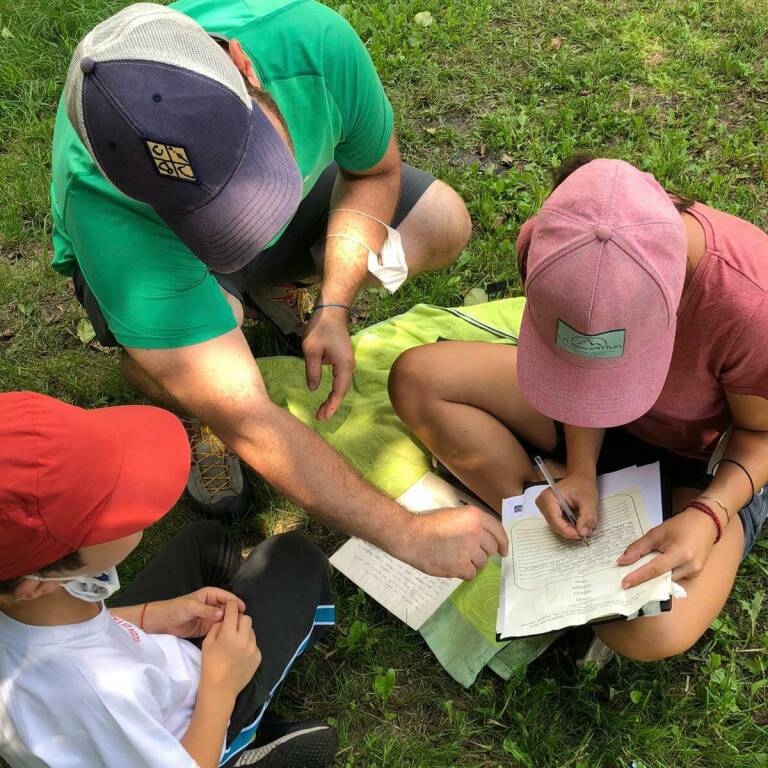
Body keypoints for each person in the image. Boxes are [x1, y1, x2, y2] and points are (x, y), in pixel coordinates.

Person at [49, 1, 506, 580]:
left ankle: (269, 292)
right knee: (195, 376)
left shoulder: (309, 42)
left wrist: (336, 303)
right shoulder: (105, 207)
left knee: (439, 221)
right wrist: (408, 532)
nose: (248, 233)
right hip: (157, 260)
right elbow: (248, 417)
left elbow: (374, 172)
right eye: (215, 215)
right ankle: (190, 395)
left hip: (251, 216)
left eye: (252, 166)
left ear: (243, 64)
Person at [389, 156, 768, 661]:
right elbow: (578, 371)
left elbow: (760, 434)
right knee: (418, 379)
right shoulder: (556, 246)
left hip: (709, 458)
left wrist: (710, 514)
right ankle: (539, 510)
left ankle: (554, 522)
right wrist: (583, 470)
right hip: (597, 425)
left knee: (653, 632)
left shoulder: (750, 305)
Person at [0, 391, 337, 768]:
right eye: (113, 505)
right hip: (191, 731)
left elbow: (77, 637)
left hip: (145, 676)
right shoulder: (98, 691)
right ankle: (237, 750)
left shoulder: (30, 605)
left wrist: (154, 615)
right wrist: (220, 685)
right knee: (296, 559)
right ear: (38, 582)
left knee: (204, 541)